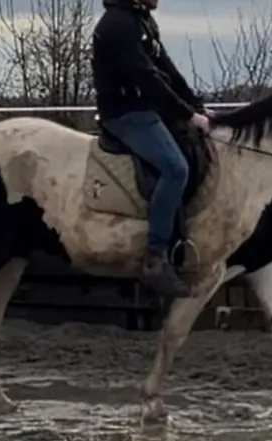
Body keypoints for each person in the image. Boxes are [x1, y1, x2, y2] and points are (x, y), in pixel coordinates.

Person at [91, 0, 212, 299]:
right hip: (125, 113)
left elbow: (165, 69)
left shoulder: (141, 21)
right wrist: (187, 114)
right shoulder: (117, 26)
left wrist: (196, 105)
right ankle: (155, 256)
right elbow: (146, 77)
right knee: (175, 168)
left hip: (148, 109)